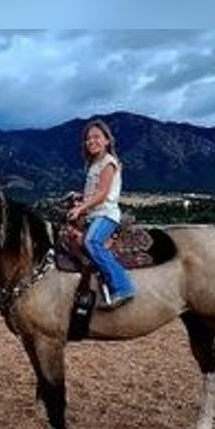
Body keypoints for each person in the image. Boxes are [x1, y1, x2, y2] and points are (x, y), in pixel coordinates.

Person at [67, 119, 136, 308]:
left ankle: (123, 287)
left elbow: (103, 193)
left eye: (96, 137)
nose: (91, 141)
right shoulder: (94, 164)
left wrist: (80, 208)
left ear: (107, 140)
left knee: (92, 241)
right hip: (94, 214)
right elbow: (93, 193)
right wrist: (80, 197)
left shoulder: (108, 162)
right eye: (88, 139)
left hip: (106, 214)